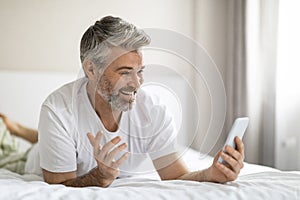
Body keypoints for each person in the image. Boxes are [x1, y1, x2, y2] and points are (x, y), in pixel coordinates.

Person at [16, 16, 245, 187]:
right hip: (33, 160)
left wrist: (211, 174)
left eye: (140, 71)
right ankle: (16, 130)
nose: (136, 84)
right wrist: (100, 176)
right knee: (13, 152)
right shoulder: (57, 110)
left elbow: (175, 176)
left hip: (62, 139)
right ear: (91, 69)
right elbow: (58, 185)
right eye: (125, 72)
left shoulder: (152, 109)